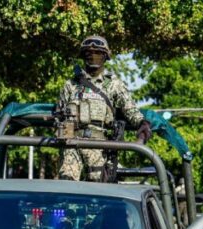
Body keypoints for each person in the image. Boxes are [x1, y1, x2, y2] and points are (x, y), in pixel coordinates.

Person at [57, 35, 152, 182]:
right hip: (71, 143)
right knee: (66, 184)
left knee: (99, 189)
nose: (93, 56)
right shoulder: (71, 85)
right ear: (83, 56)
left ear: (105, 56)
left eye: (98, 53)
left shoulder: (113, 85)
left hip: (100, 145)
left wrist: (142, 123)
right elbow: (59, 115)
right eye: (88, 53)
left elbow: (130, 109)